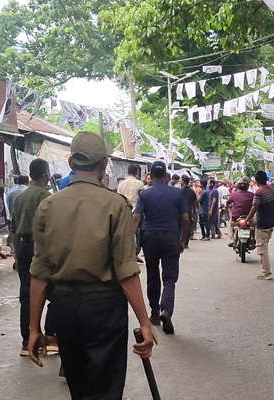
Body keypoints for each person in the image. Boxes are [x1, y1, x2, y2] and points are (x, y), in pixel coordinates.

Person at [26, 132, 153, 398]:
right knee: (105, 387)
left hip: (65, 306)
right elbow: (126, 271)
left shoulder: (48, 206)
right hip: (104, 307)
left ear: (71, 163)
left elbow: (39, 273)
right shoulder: (116, 205)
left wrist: (34, 327)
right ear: (104, 164)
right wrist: (145, 322)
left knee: (78, 385)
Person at [134, 161, 189, 334]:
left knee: (152, 275)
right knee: (170, 277)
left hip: (150, 238)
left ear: (150, 174)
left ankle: (155, 313)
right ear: (166, 175)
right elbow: (186, 219)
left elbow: (136, 218)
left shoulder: (145, 194)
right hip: (171, 237)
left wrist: (130, 241)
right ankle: (167, 310)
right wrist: (182, 240)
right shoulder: (176, 194)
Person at [11, 159, 55, 357]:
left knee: (27, 295)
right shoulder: (45, 196)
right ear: (45, 174)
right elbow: (51, 228)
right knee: (54, 293)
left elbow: (14, 229)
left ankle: (27, 340)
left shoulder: (20, 197)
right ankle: (51, 336)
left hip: (24, 247)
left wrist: (17, 253)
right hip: (42, 248)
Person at [246, 170, 274, 280]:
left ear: (256, 181)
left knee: (262, 248)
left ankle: (266, 272)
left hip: (262, 222)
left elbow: (254, 207)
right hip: (271, 221)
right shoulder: (272, 188)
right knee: (265, 244)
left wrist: (246, 220)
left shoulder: (258, 192)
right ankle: (264, 269)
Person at [226, 177, 255, 246]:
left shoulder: (234, 194)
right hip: (249, 217)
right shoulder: (252, 195)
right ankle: (254, 239)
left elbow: (227, 203)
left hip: (236, 217)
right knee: (255, 225)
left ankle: (232, 239)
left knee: (230, 225)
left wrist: (228, 209)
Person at [6, 175, 29, 256]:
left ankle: (14, 252)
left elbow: (8, 205)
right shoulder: (28, 191)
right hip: (26, 218)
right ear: (27, 182)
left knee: (14, 234)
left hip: (14, 216)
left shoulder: (11, 192)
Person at [181, 175, 198, 249]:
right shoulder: (192, 192)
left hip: (181, 212)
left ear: (183, 181)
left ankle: (181, 241)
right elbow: (194, 203)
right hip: (189, 212)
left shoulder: (180, 191)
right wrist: (194, 213)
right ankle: (186, 243)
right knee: (188, 227)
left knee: (181, 227)